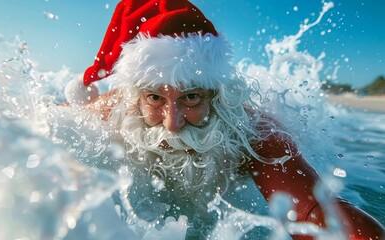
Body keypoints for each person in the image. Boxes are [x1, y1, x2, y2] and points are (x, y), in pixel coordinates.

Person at [64, 0, 385, 239]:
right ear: (137, 97)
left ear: (215, 96)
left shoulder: (256, 134)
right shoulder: (115, 111)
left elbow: (313, 211)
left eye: (190, 97)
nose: (172, 122)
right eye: (155, 98)